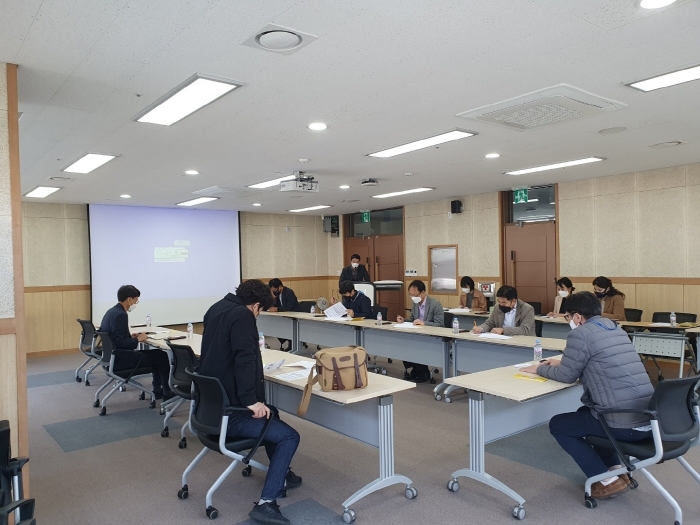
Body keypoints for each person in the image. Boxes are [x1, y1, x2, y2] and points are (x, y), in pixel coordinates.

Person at [519, 291, 653, 500]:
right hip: (646, 418)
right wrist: (562, 361)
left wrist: (539, 369)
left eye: (568, 316)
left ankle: (604, 480)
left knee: (559, 425)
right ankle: (615, 469)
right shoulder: (616, 329)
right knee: (586, 414)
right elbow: (599, 361)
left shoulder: (580, 334)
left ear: (578, 317)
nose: (568, 321)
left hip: (622, 423)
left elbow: (566, 376)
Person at [198, 279, 301, 525]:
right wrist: (251, 401)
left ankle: (282, 472)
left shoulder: (216, 308)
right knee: (290, 436)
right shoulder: (243, 316)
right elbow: (245, 359)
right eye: (260, 311)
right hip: (230, 414)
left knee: (272, 413)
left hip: (208, 410)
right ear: (255, 306)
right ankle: (266, 504)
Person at [99, 285, 174, 400]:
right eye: (136, 300)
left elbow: (114, 337)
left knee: (157, 354)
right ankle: (166, 392)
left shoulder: (111, 311)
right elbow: (119, 343)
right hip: (121, 360)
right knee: (161, 355)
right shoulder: (121, 315)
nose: (135, 303)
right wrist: (137, 339)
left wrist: (130, 337)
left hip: (110, 358)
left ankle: (158, 390)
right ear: (129, 299)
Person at [397, 280, 444, 383]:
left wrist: (424, 323)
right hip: (418, 333)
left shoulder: (435, 304)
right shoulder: (415, 304)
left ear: (423, 293)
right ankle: (414, 370)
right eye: (410, 295)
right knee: (405, 342)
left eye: (415, 295)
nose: (412, 297)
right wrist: (404, 320)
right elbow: (413, 319)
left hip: (432, 336)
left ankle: (423, 372)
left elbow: (440, 324)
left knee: (418, 344)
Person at [268, 278, 299, 351]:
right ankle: (289, 342)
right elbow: (275, 305)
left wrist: (277, 309)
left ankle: (292, 345)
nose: (274, 292)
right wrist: (273, 299)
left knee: (287, 327)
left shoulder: (289, 292)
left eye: (275, 290)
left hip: (294, 315)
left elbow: (290, 307)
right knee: (278, 326)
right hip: (284, 315)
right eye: (272, 290)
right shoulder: (278, 294)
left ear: (280, 287)